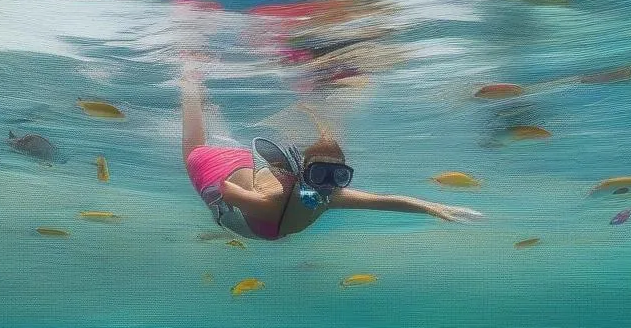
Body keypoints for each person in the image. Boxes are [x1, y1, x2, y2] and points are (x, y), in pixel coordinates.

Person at [181, 72, 482, 240]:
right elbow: (226, 192)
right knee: (196, 151)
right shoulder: (278, 201)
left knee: (206, 149)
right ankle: (190, 84)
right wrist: (235, 200)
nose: (328, 185)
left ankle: (195, 92)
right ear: (303, 173)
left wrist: (432, 206)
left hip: (257, 195)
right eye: (320, 176)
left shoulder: (330, 196)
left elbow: (386, 201)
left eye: (338, 177)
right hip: (234, 197)